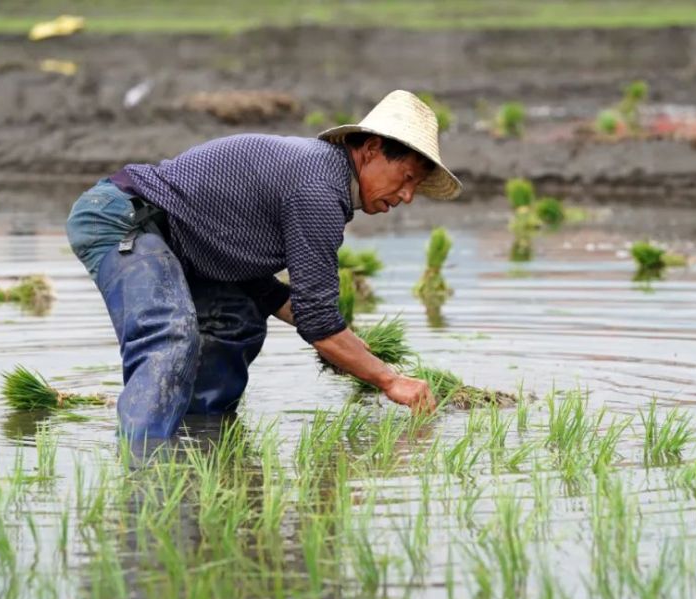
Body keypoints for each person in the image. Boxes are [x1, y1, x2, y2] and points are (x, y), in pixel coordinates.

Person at [65, 89, 462, 448]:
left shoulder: (322, 181)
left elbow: (266, 291)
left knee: (238, 319)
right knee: (169, 333)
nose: (408, 196)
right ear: (372, 149)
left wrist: (351, 347)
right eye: (407, 178)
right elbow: (319, 324)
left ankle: (202, 443)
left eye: (417, 187)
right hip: (123, 217)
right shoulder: (320, 190)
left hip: (185, 244)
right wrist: (389, 380)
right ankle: (142, 473)